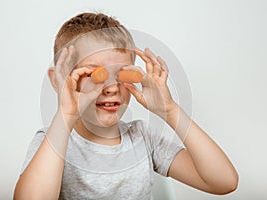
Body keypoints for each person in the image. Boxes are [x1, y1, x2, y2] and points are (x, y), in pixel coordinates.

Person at [13, 12, 238, 200]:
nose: (111, 87)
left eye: (121, 73)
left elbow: (224, 182)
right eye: (94, 73)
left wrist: (169, 109)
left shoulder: (142, 137)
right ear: (58, 81)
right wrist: (66, 116)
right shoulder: (52, 140)